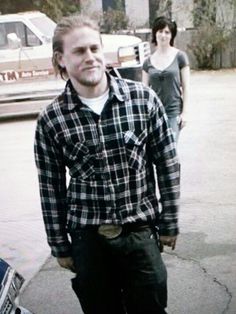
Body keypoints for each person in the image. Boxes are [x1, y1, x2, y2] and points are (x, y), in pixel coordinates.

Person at [34, 14, 180, 314]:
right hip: (89, 241)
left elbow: (167, 164)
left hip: (140, 232)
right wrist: (59, 243)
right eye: (79, 51)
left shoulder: (143, 100)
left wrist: (169, 222)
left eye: (94, 49)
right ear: (61, 59)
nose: (90, 57)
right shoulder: (51, 120)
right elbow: (51, 188)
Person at [142, 16, 190, 141]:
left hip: (173, 113)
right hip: (154, 114)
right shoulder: (147, 62)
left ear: (171, 36)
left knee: (170, 151)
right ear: (155, 33)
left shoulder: (180, 57)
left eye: (167, 32)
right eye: (160, 31)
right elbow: (143, 92)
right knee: (156, 155)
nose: (163, 35)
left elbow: (186, 87)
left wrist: (184, 113)